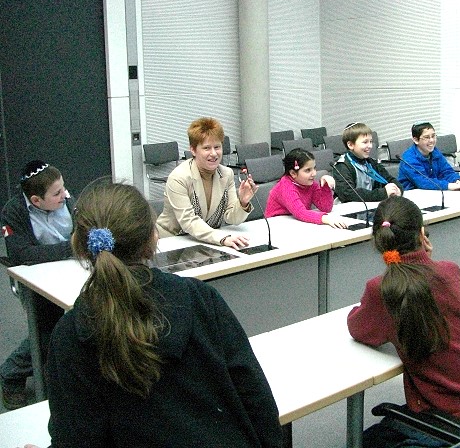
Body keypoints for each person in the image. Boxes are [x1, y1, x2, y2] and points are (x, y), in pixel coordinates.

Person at [36, 182, 283, 447]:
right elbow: (256, 399)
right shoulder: (200, 299)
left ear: (80, 246)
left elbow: (76, 437)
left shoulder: (70, 335)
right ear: (152, 238)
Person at [347, 196, 460, 446]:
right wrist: (427, 258)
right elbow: (429, 282)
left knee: (364, 441)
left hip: (444, 422)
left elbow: (358, 329)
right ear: (422, 233)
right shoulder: (449, 270)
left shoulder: (382, 290)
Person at [0, 160, 73, 410]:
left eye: (63, 188)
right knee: (47, 332)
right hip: (35, 281)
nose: (64, 195)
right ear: (36, 201)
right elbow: (22, 255)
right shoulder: (14, 211)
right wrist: (69, 248)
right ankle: (11, 374)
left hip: (69, 269)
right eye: (56, 193)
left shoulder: (66, 199)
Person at [156, 117, 256, 250]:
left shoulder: (226, 174)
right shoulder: (178, 178)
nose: (214, 153)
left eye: (217, 147)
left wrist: (243, 203)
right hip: (173, 242)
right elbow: (189, 221)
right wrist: (222, 238)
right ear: (193, 150)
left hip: (207, 242)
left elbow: (232, 219)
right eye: (207, 148)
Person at [265, 148, 347, 228]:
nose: (314, 173)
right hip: (276, 226)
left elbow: (326, 208)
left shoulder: (310, 184)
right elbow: (300, 212)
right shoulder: (286, 187)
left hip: (297, 223)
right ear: (293, 173)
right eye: (308, 170)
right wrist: (325, 218)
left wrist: (325, 186)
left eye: (314, 168)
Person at [333, 122, 403, 203]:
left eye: (370, 141)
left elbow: (390, 179)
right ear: (350, 145)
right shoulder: (342, 166)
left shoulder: (371, 162)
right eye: (365, 142)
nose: (370, 146)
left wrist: (398, 189)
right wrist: (382, 193)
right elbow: (348, 194)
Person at [397, 121, 460, 191]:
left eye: (433, 136)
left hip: (433, 192)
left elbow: (447, 171)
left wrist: (457, 180)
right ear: (416, 140)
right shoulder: (409, 158)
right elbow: (423, 182)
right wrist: (448, 185)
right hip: (412, 195)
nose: (431, 140)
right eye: (427, 137)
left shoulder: (435, 152)